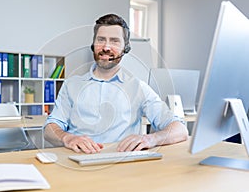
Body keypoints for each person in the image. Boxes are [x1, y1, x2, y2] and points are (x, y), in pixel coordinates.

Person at [44, 13, 188, 154]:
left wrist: (151, 139)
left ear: (125, 48)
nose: (106, 47)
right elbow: (50, 128)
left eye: (114, 41)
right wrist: (67, 138)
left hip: (121, 166)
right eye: (101, 40)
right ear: (93, 45)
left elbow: (180, 129)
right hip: (76, 162)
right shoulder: (71, 85)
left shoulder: (138, 87)